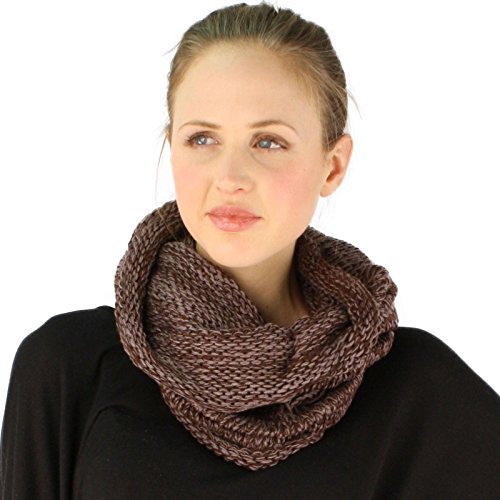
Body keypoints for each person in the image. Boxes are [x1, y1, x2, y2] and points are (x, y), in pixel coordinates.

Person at [1, 2, 499, 498]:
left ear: (332, 166)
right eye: (202, 139)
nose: (230, 178)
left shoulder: (417, 391)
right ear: (172, 149)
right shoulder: (70, 367)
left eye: (268, 142)